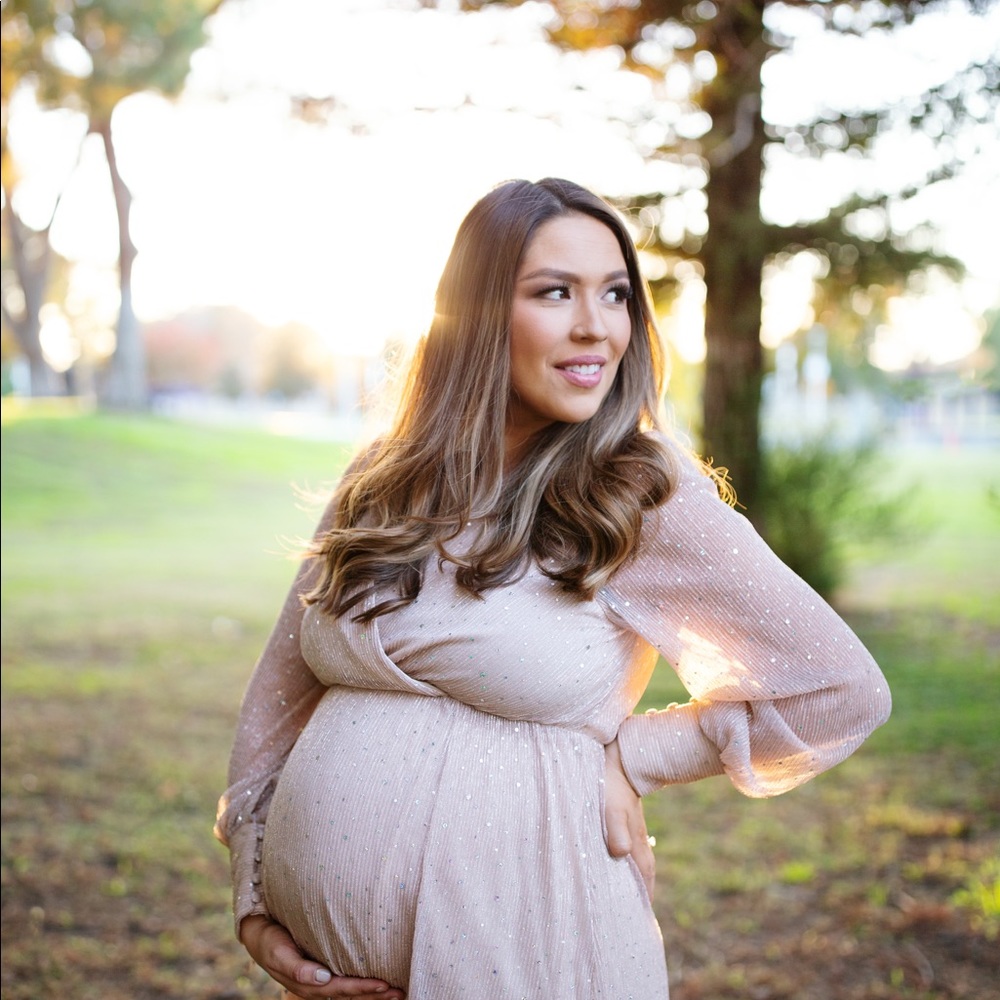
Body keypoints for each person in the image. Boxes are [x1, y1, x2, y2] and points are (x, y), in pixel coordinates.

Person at [214, 177, 891, 999]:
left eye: (614, 294)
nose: (595, 325)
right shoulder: (381, 479)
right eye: (554, 292)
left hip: (539, 945)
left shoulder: (638, 491)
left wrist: (632, 758)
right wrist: (257, 903)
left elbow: (841, 688)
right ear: (473, 313)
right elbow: (275, 705)